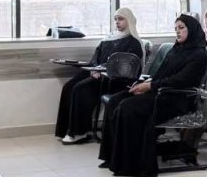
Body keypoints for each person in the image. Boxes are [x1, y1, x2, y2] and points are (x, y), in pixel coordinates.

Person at [99, 15, 207, 177]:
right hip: (160, 92)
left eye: (182, 28)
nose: (178, 31)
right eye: (176, 28)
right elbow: (162, 73)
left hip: (176, 99)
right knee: (115, 101)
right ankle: (113, 157)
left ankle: (132, 164)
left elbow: (181, 80)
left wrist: (150, 86)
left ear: (191, 29)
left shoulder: (198, 54)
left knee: (128, 107)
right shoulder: (176, 49)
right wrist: (146, 83)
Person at [55, 8, 143, 145]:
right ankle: (65, 130)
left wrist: (100, 70)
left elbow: (124, 66)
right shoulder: (109, 38)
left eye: (121, 19)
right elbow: (96, 56)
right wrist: (95, 68)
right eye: (115, 19)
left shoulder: (133, 43)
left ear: (130, 20)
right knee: (68, 87)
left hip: (112, 79)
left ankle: (79, 132)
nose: (117, 22)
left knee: (80, 89)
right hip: (96, 72)